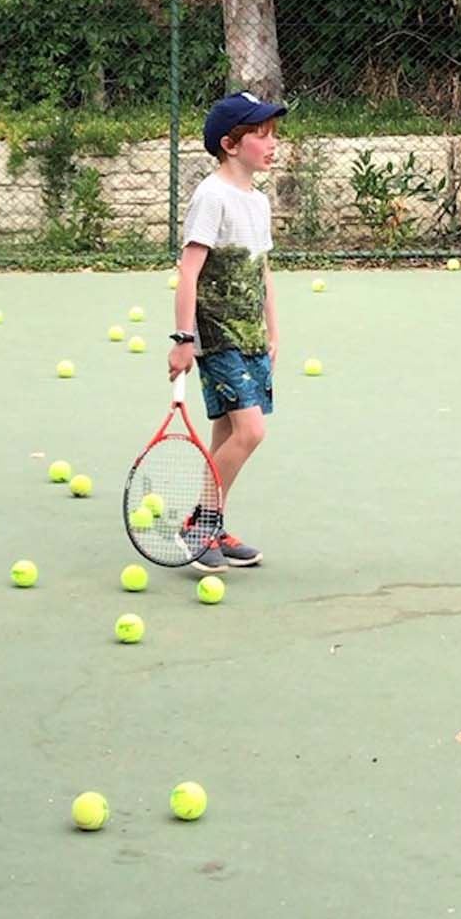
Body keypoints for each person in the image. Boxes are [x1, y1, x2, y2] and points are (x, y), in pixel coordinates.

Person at [168, 92, 285, 569]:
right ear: (230, 144)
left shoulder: (257, 201)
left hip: (250, 334)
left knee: (225, 435)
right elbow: (189, 272)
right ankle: (199, 524)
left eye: (273, 133)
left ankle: (213, 526)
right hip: (217, 337)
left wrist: (274, 331)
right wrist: (183, 339)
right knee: (250, 432)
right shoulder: (211, 197)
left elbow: (263, 271)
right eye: (261, 134)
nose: (272, 143)